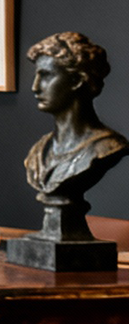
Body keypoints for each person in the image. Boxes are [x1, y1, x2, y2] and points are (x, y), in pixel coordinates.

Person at [22, 32, 127, 209]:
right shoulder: (39, 151)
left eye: (46, 75)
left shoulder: (107, 147)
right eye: (36, 76)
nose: (35, 87)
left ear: (77, 80)